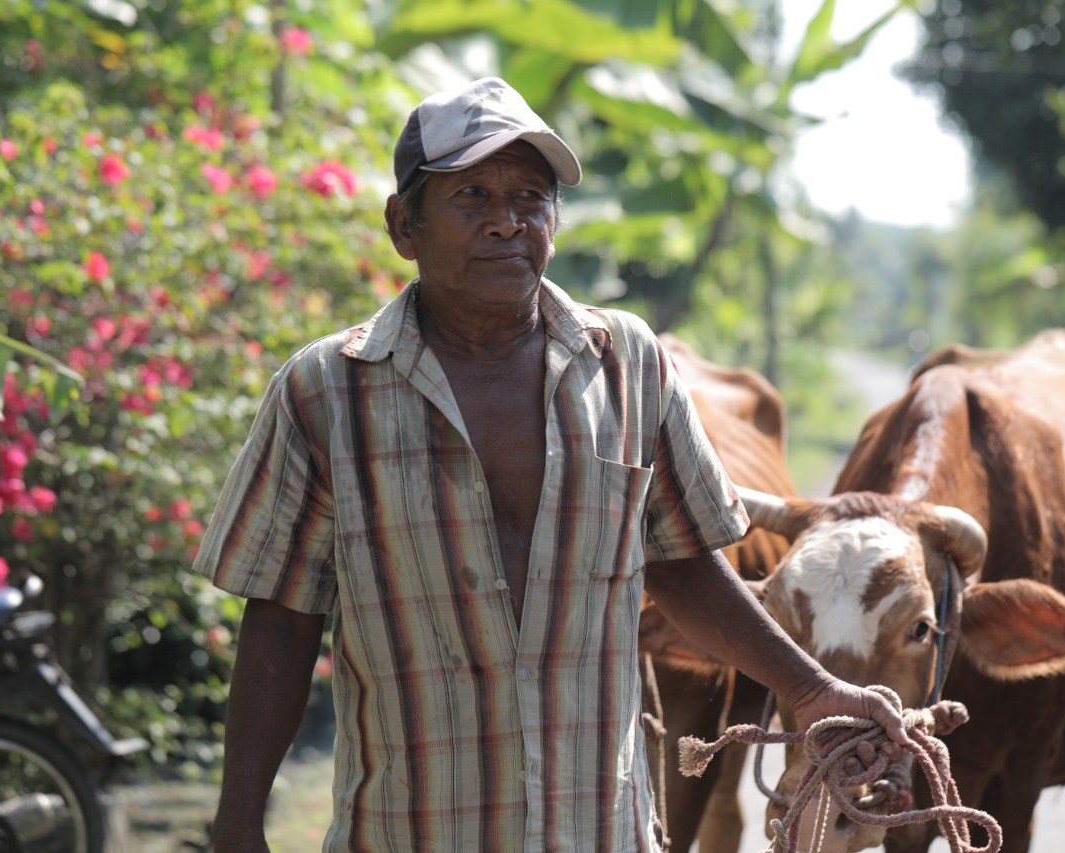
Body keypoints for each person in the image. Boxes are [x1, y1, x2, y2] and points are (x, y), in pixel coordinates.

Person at [193, 76, 911, 852]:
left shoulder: (629, 365)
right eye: (472, 196)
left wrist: (811, 689)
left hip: (597, 831)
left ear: (555, 221)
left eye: (530, 198)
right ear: (404, 225)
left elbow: (684, 568)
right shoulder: (324, 391)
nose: (507, 223)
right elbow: (280, 616)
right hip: (410, 830)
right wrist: (237, 822)